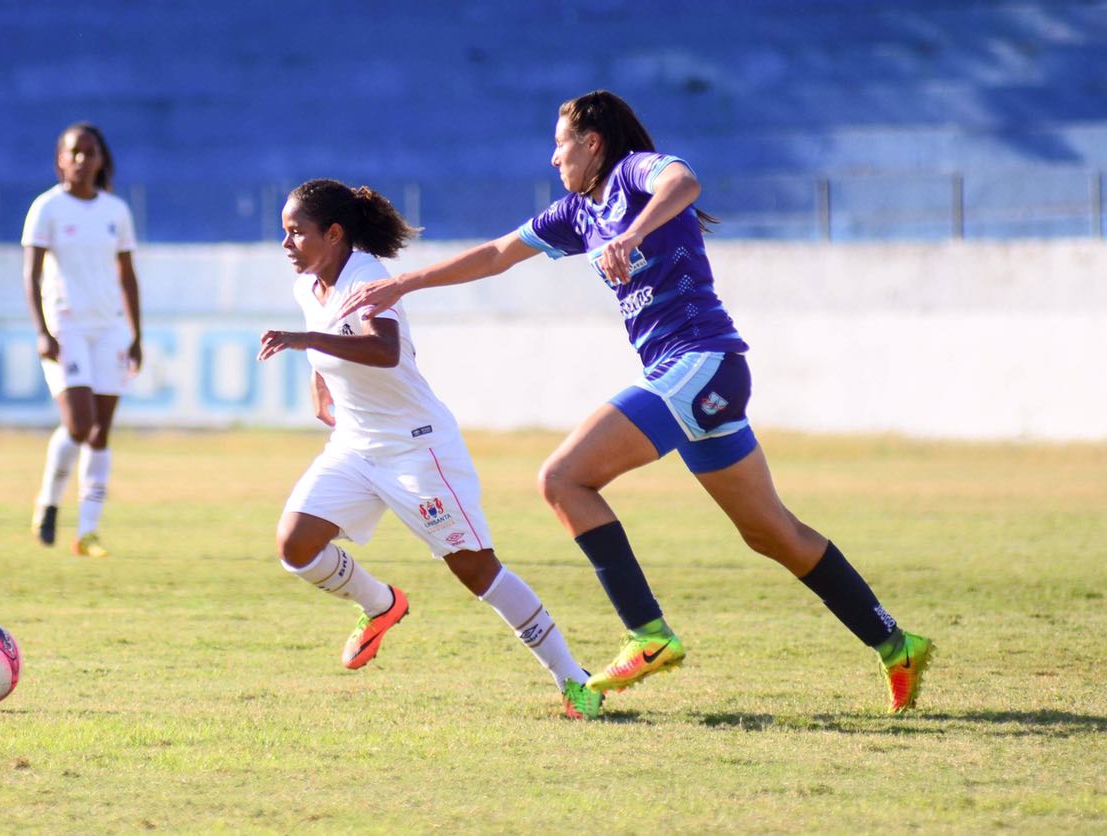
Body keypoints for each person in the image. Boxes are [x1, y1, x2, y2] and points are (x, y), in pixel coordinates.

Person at [336, 90, 934, 714]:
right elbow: (495, 255)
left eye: (561, 142)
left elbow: (685, 180)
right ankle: (897, 644)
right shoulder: (575, 212)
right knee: (770, 531)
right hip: (701, 378)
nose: (553, 156)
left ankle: (647, 635)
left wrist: (636, 231)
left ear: (593, 143)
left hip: (700, 362)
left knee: (563, 479)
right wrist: (406, 282)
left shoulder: (633, 173)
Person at [258, 178, 602, 719]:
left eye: (296, 232)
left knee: (476, 570)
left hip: (417, 449)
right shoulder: (309, 286)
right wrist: (319, 384)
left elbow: (386, 350)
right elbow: (324, 342)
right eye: (284, 233)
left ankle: (573, 677)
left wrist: (307, 342)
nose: (286, 244)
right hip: (354, 443)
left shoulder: (367, 277)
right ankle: (381, 604)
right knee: (296, 546)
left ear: (334, 233)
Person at [21, 123, 142, 557]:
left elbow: (127, 277)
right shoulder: (46, 208)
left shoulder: (115, 211)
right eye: (73, 152)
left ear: (100, 160)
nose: (80, 160)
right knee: (78, 423)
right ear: (60, 159)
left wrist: (136, 334)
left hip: (108, 328)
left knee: (101, 430)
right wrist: (41, 330)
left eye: (89, 153)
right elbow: (31, 274)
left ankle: (87, 531)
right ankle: (49, 501)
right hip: (65, 326)